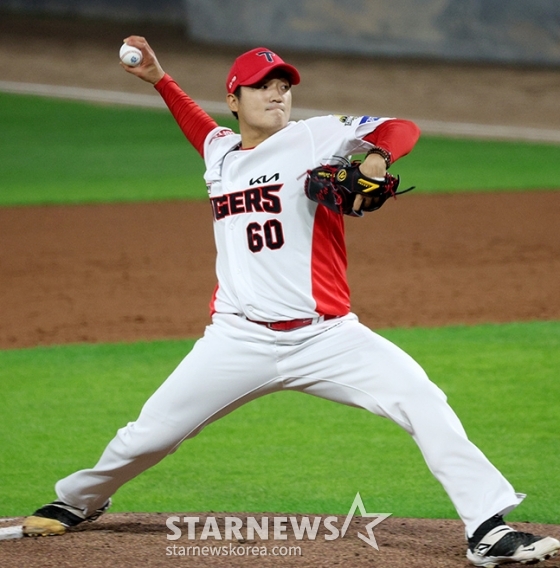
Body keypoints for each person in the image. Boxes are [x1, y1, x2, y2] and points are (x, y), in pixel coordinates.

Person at [23, 37, 559, 567]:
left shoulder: (316, 137)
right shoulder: (220, 154)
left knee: (423, 400)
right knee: (149, 434)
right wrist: (160, 80)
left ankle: (488, 528)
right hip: (237, 339)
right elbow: (198, 126)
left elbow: (403, 127)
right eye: (261, 87)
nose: (276, 94)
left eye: (283, 86)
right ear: (234, 100)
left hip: (328, 337)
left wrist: (375, 156)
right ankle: (79, 499)